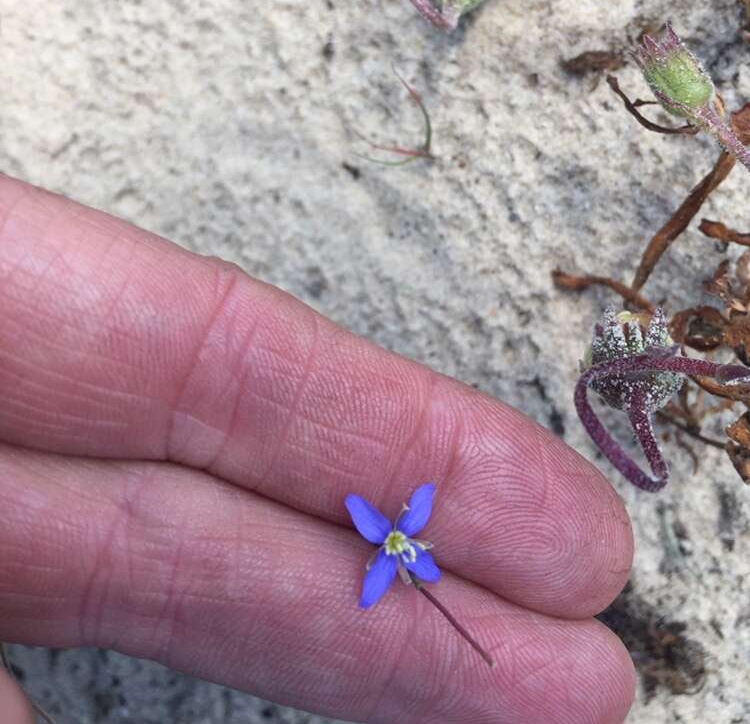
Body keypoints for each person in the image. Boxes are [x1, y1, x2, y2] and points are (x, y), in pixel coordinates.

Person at [0, 173, 636, 724]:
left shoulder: (406, 539)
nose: (398, 545)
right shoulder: (386, 534)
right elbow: (376, 523)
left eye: (398, 545)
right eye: (395, 543)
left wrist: (406, 541)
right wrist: (395, 538)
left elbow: (412, 538)